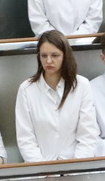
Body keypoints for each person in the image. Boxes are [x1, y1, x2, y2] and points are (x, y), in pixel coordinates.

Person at [15, 30, 100, 162]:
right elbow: (26, 139)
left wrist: (75, 167)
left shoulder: (82, 85)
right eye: (44, 55)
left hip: (77, 166)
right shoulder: (26, 89)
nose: (49, 60)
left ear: (65, 56)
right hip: (39, 167)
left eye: (55, 55)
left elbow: (88, 136)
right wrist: (43, 168)